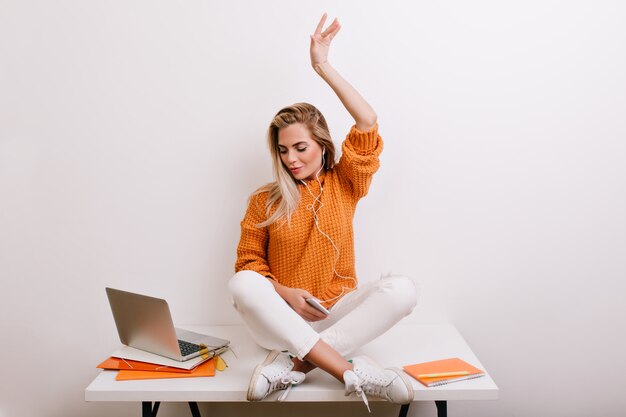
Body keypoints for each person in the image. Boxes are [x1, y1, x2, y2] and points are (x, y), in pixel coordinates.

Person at [229, 14, 418, 411]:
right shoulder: (264, 200)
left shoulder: (345, 182)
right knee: (242, 285)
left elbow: (367, 120)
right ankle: (353, 370)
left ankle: (294, 365)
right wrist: (286, 294)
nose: (291, 159)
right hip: (281, 322)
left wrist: (322, 66)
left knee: (402, 289)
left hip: (335, 316)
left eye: (300, 148)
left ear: (322, 145)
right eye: (283, 150)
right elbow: (248, 265)